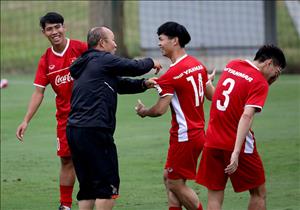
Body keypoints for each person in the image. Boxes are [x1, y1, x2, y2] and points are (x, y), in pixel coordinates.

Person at [66, 26, 161, 210]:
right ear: (102, 43)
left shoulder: (86, 62)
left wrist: (143, 84)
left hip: (75, 130)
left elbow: (117, 84)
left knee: (87, 188)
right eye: (112, 40)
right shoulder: (103, 59)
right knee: (106, 187)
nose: (116, 44)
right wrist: (151, 62)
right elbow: (133, 67)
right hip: (95, 129)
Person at [195, 45, 286, 210]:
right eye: (277, 72)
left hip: (212, 142)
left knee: (214, 198)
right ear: (269, 63)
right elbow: (246, 115)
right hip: (238, 145)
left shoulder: (232, 65)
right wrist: (236, 152)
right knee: (259, 193)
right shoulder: (260, 83)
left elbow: (223, 99)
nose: (275, 76)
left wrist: (268, 82)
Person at [135, 22, 215, 210]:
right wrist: (207, 80)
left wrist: (144, 112)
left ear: (175, 40)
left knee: (175, 183)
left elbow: (160, 110)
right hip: (195, 133)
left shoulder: (171, 75)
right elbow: (212, 96)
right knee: (168, 177)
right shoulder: (198, 65)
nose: (159, 44)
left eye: (161, 39)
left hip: (185, 135)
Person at [16, 12, 87, 210]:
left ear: (64, 27)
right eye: (50, 29)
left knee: (89, 157)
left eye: (57, 27)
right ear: (44, 33)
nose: (54, 32)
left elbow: (103, 62)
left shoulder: (81, 48)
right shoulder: (46, 60)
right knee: (66, 159)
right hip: (65, 118)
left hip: (88, 114)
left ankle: (96, 198)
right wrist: (26, 120)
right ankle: (65, 205)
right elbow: (38, 92)